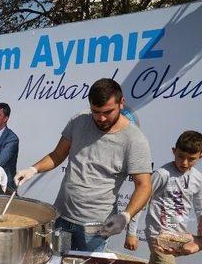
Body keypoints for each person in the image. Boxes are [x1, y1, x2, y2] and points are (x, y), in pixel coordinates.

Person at [15, 78, 152, 252]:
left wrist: (126, 215)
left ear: (121, 103)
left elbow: (144, 185)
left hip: (95, 228)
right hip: (61, 216)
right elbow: (57, 155)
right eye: (95, 111)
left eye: (107, 112)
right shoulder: (79, 121)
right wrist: (33, 169)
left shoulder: (134, 139)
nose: (101, 118)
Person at [124, 130, 202, 264]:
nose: (184, 163)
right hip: (158, 235)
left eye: (191, 159)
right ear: (173, 151)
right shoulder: (161, 174)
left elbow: (199, 207)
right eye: (180, 156)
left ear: (200, 156)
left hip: (178, 235)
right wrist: (132, 231)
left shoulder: (197, 179)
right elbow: (141, 201)